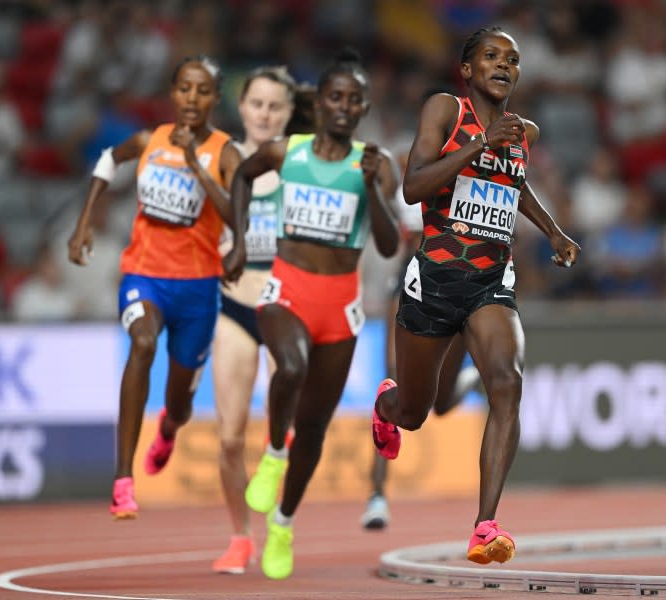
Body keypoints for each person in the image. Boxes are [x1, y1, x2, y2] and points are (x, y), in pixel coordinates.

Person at [370, 26, 580, 565]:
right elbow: (413, 188)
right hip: (434, 280)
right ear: (467, 69)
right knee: (415, 414)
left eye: (512, 58)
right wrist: (479, 143)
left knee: (507, 383)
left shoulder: (522, 131)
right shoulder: (445, 109)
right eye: (490, 56)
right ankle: (386, 406)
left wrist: (552, 229)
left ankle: (485, 526)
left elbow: (513, 184)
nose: (503, 64)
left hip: (490, 281)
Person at [223, 48, 400, 580]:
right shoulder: (287, 152)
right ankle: (274, 452)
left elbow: (390, 246)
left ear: (364, 106)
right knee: (291, 368)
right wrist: (235, 245)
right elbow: (240, 178)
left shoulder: (376, 162)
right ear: (319, 103)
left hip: (339, 308)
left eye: (354, 99)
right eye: (335, 97)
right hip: (285, 291)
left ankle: (282, 519)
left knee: (316, 429)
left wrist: (371, 186)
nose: (344, 106)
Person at [67, 55, 241, 519]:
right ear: (172, 92)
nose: (192, 98)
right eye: (184, 88)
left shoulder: (226, 152)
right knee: (142, 344)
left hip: (199, 290)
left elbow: (235, 215)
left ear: (215, 99)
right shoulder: (149, 140)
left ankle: (169, 428)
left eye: (202, 91)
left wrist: (196, 165)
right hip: (144, 275)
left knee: (180, 402)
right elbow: (108, 160)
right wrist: (84, 222)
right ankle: (123, 480)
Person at [210, 68, 315, 574]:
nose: (265, 113)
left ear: (290, 112)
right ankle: (239, 536)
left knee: (287, 430)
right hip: (232, 305)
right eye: (256, 103)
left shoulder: (303, 161)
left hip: (284, 304)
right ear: (242, 106)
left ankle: (281, 524)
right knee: (230, 438)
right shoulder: (220, 159)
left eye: (275, 106)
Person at [360, 143, 481, 530]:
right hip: (410, 281)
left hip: (457, 284)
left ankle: (464, 382)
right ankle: (377, 496)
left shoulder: (473, 162)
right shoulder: (400, 164)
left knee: (440, 405)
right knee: (392, 386)